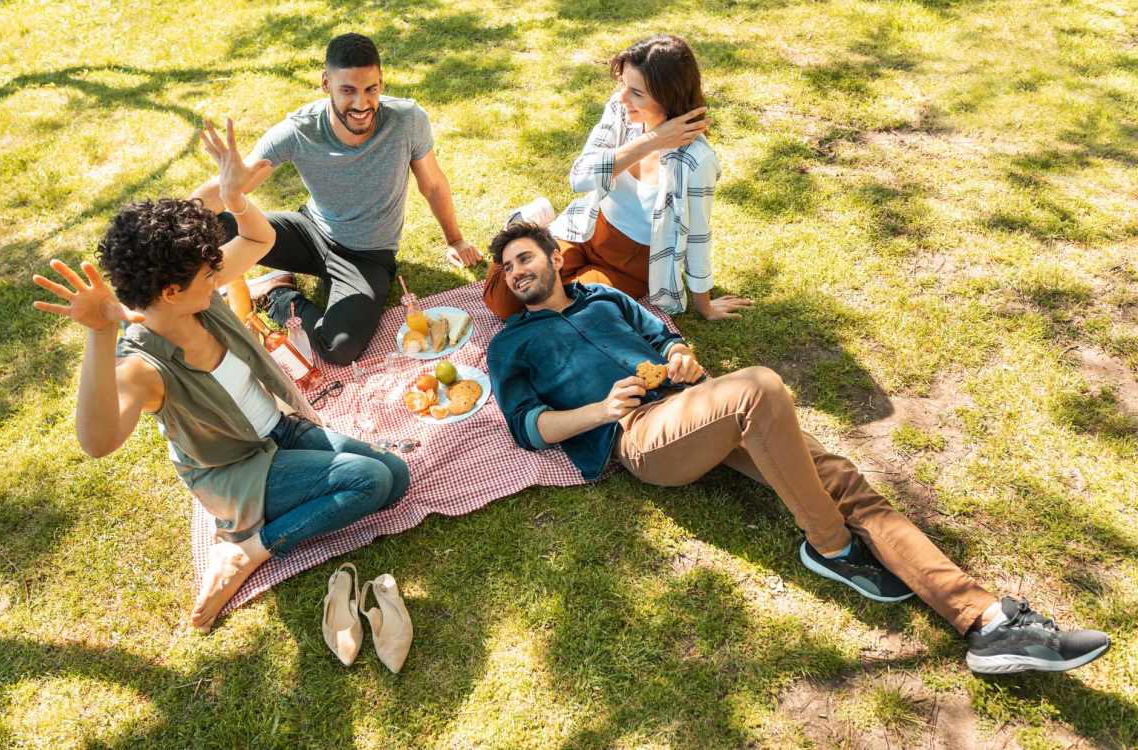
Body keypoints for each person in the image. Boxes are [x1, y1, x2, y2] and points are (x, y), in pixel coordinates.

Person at [485, 222, 1111, 674]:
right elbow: (528, 428)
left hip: (699, 406)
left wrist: (678, 356)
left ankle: (986, 621)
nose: (517, 273)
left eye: (524, 258)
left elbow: (667, 337)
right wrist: (601, 410)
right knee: (757, 386)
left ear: (552, 257)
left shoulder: (605, 296)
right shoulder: (511, 345)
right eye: (508, 270)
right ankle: (831, 547)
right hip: (641, 438)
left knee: (844, 479)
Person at [33, 119, 409, 631]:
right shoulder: (143, 365)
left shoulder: (196, 297)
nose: (220, 278)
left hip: (280, 429)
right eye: (209, 274)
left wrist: (233, 197)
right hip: (236, 469)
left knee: (396, 479)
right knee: (367, 480)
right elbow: (97, 442)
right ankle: (248, 547)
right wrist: (99, 333)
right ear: (169, 291)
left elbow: (259, 235)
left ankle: (261, 524)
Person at [191, 33, 482, 365]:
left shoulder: (407, 121)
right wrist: (168, 225)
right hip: (310, 232)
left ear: (381, 81)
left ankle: (278, 294)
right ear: (326, 83)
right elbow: (235, 184)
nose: (361, 104)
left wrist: (455, 239)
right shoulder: (299, 130)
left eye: (371, 89)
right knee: (207, 224)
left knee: (338, 348)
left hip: (367, 257)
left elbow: (432, 185)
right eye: (348, 90)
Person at [483, 35, 749, 321]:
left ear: (667, 96)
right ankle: (523, 225)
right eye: (623, 84)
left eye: (636, 92)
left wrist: (704, 305)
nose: (622, 98)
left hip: (630, 263)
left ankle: (533, 234)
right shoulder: (622, 110)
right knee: (503, 300)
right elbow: (580, 176)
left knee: (562, 311)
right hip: (587, 226)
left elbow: (697, 237)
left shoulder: (697, 160)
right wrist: (652, 140)